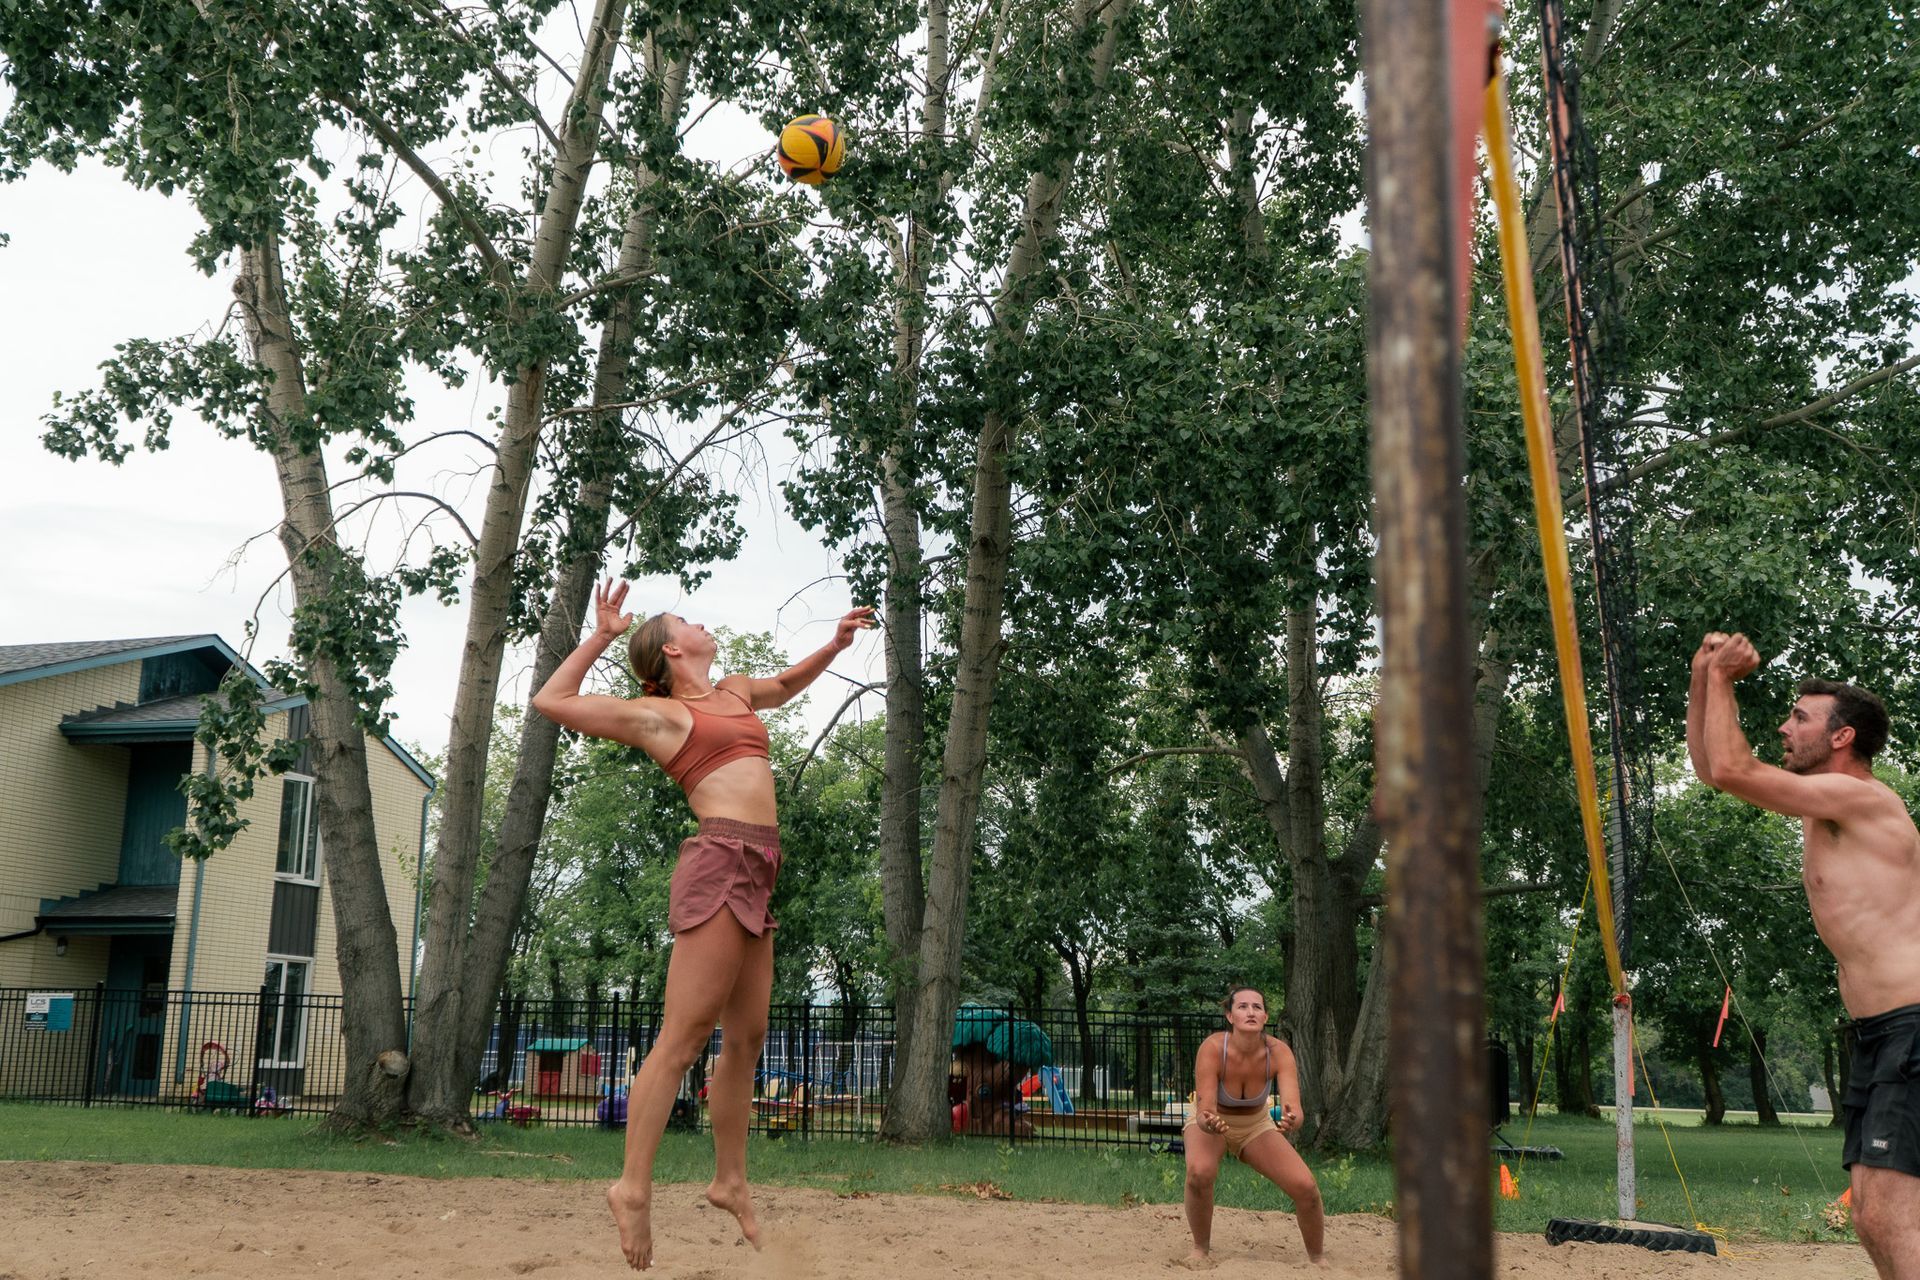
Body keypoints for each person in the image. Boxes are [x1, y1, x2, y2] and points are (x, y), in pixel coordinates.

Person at [532, 581, 872, 1271]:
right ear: (671, 649)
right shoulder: (660, 717)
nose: (701, 622)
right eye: (686, 619)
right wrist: (601, 636)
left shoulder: (736, 693)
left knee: (747, 1037)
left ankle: (730, 1180)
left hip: (761, 867)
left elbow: (785, 685)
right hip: (719, 861)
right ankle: (631, 1188)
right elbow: (552, 702)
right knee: (683, 1040)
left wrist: (834, 646)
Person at [1688, 631, 1920, 1279]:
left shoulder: (1861, 799)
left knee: (1891, 1216)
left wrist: (1724, 681)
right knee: (1869, 1215)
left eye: (1799, 718)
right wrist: (1703, 675)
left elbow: (1733, 769)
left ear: (1842, 736)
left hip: (1911, 1027)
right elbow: (1711, 769)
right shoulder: (1823, 806)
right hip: (1878, 1032)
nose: (1784, 729)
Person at [1182, 986, 1326, 1267]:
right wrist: (1209, 1122)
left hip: (1255, 1124)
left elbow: (1295, 1110)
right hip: (1212, 1120)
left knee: (1306, 1186)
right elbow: (1204, 1111)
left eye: (1257, 1007)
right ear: (1230, 1016)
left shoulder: (1279, 1052)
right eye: (1243, 1006)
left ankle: (1318, 1260)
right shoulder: (1213, 1048)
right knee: (1199, 1172)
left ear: (1265, 1017)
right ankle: (1200, 1249)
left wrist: (1292, 1119)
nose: (1251, 1012)